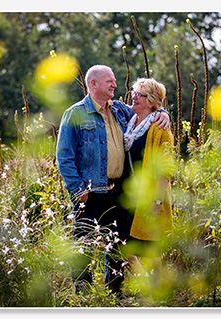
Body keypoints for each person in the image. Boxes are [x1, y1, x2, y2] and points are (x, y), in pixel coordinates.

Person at [55, 65, 170, 294]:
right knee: (84, 244)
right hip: (88, 191)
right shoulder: (75, 114)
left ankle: (113, 291)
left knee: (116, 244)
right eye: (109, 81)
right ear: (93, 84)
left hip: (116, 191)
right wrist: (78, 189)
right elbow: (64, 158)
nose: (115, 86)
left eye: (114, 80)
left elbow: (148, 109)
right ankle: (83, 294)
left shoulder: (120, 110)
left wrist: (164, 113)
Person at [119, 78, 176, 274]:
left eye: (139, 95)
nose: (133, 97)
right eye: (133, 93)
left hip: (149, 195)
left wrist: (157, 202)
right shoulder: (129, 123)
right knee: (122, 241)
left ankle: (158, 292)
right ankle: (144, 281)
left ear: (151, 101)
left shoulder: (161, 128)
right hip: (128, 193)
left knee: (151, 248)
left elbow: (166, 169)